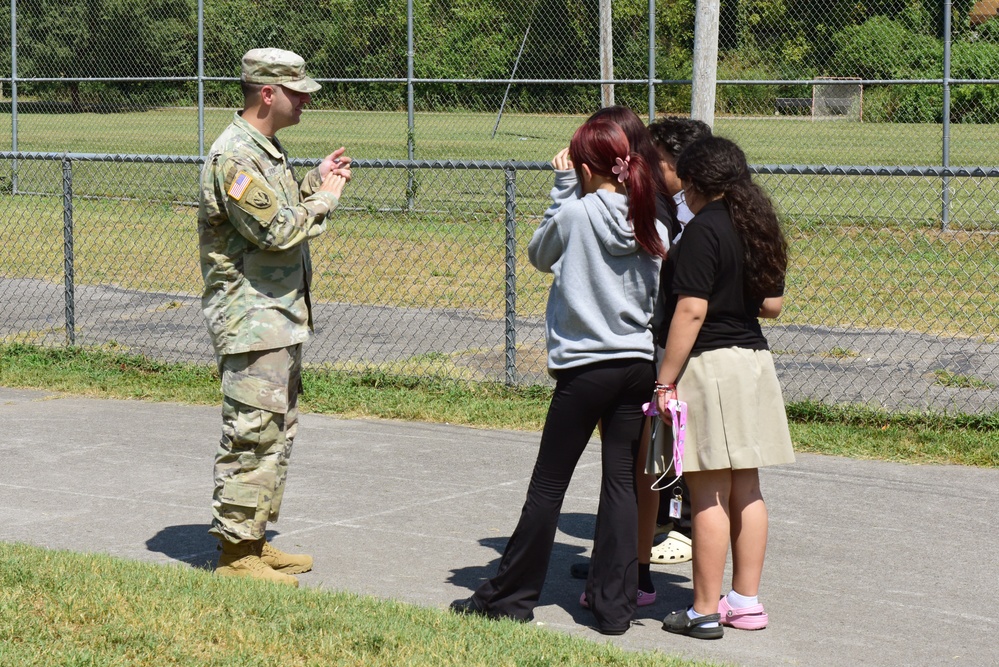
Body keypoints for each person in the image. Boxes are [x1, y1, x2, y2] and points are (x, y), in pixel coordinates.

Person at [450, 118, 668, 635]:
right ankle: (614, 607)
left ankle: (510, 597)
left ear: (588, 168)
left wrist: (562, 187)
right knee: (621, 485)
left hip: (584, 368)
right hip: (636, 365)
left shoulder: (574, 213)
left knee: (548, 485)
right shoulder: (652, 225)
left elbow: (538, 255)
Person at [198, 48, 352, 587]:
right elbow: (278, 232)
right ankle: (236, 556)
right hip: (253, 318)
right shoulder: (235, 158)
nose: (306, 98)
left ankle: (254, 541)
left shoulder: (266, 151)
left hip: (277, 316)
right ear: (268, 93)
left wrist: (313, 181)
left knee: (275, 434)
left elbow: (281, 215)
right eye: (297, 90)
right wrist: (325, 201)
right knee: (251, 433)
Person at [653, 136, 794, 639]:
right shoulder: (758, 225)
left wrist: (664, 380)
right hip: (754, 364)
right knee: (747, 487)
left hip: (711, 366)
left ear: (694, 184)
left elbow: (690, 310)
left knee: (707, 491)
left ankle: (703, 610)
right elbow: (773, 305)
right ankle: (746, 602)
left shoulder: (701, 232)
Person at [565, 105, 672, 607]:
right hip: (642, 352)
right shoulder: (638, 203)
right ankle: (616, 574)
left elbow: (545, 251)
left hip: (651, 352)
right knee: (627, 471)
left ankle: (636, 572)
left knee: (638, 471)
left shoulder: (643, 204)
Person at [645, 116, 713, 567]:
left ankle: (686, 527)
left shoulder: (699, 214)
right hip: (667, 335)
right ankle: (654, 530)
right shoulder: (668, 203)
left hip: (691, 345)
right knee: (663, 441)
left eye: (656, 160)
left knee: (687, 436)